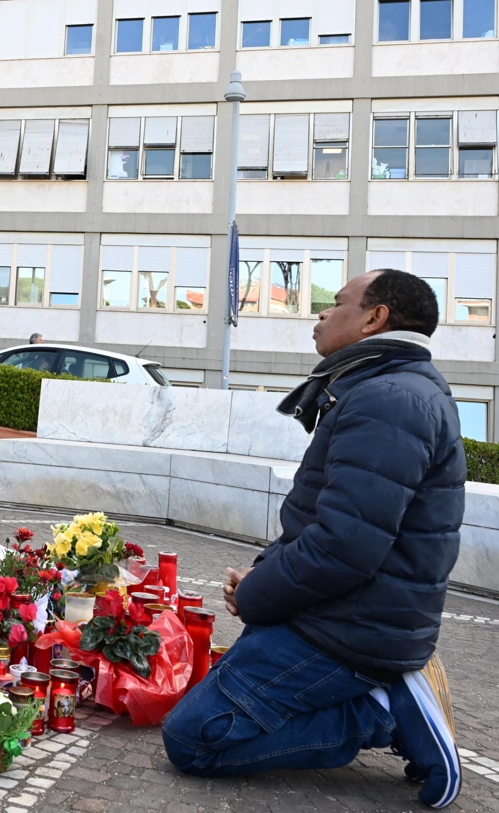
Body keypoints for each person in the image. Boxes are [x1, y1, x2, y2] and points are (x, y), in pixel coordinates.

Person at [162, 270, 466, 809]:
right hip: (339, 615)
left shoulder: (389, 399)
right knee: (216, 695)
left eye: (336, 304)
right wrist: (264, 572)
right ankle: (377, 695)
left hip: (350, 631)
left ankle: (380, 709)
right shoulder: (383, 389)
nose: (320, 315)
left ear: (376, 318)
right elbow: (323, 522)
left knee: (194, 738)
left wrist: (258, 595)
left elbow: (345, 546)